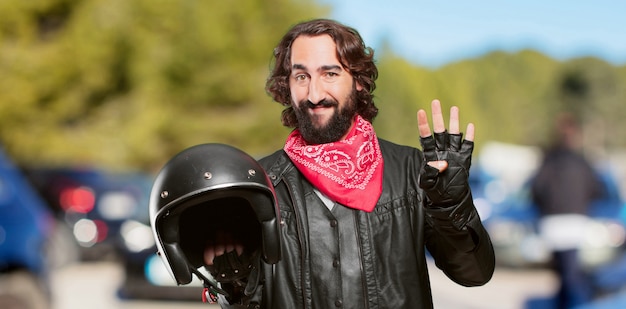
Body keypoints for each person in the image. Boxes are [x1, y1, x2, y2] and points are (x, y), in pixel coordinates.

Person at [203, 18, 495, 308]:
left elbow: (474, 273)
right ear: (287, 85)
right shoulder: (260, 183)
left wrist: (451, 207)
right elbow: (248, 300)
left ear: (357, 81)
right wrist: (234, 286)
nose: (314, 94)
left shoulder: (411, 171)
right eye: (301, 77)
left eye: (329, 74)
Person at [531, 113, 605, 309]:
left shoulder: (548, 161)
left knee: (564, 274)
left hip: (552, 223)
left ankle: (567, 303)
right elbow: (598, 189)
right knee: (571, 274)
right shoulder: (582, 162)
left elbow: (535, 190)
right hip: (574, 222)